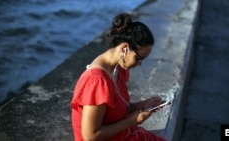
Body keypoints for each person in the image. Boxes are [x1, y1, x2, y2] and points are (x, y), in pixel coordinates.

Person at [71, 13, 167, 141]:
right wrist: (131, 121)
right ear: (124, 49)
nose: (139, 64)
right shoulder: (96, 81)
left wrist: (143, 105)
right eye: (138, 58)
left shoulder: (118, 69)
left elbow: (116, 111)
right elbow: (90, 136)